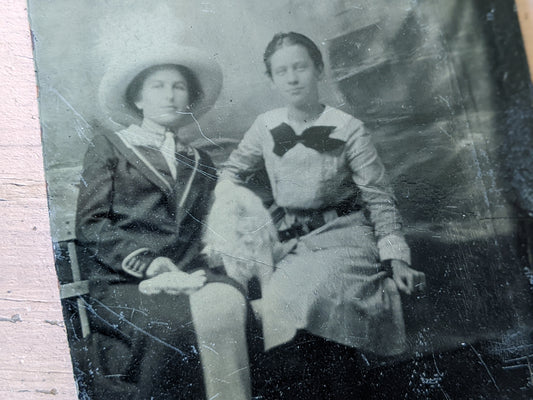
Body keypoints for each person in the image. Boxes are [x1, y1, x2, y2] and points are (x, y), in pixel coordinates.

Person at [197, 31, 426, 399]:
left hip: (345, 235)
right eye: (282, 71)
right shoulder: (267, 126)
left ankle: (346, 390)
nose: (292, 78)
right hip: (293, 241)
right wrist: (232, 198)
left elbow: (379, 197)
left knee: (324, 293)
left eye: (300, 67)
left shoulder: (348, 128)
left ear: (318, 70)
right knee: (282, 303)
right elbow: (232, 169)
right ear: (271, 79)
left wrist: (396, 258)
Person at [75, 44, 244, 399]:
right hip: (124, 283)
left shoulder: (200, 161)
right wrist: (149, 264)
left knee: (230, 303)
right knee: (176, 328)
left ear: (188, 98)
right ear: (138, 98)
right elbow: (91, 225)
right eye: (157, 86)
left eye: (178, 86)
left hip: (187, 272)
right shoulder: (111, 146)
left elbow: (211, 227)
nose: (169, 95)